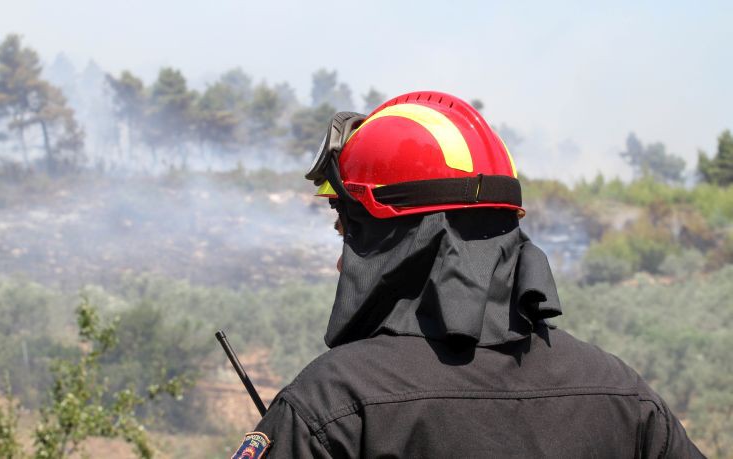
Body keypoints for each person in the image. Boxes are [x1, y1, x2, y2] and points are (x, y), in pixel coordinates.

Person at [231, 91, 703, 458]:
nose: (341, 263)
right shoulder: (622, 395)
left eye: (347, 235)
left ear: (397, 242)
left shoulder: (332, 406)